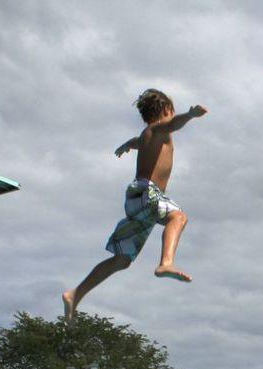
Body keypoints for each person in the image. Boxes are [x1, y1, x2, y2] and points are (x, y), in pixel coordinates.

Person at [62, 89, 208, 320]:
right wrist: (189, 115)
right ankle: (166, 263)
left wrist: (127, 145)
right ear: (167, 111)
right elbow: (172, 126)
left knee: (121, 259)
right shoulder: (162, 130)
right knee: (178, 217)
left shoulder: (146, 134)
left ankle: (75, 294)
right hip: (149, 192)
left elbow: (138, 142)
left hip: (137, 200)